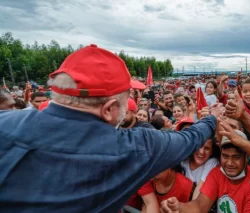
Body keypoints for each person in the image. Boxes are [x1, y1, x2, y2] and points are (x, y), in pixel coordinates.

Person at [0, 44, 223, 213]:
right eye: (125, 104)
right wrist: (212, 118)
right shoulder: (134, 148)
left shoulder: (4, 122)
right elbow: (189, 139)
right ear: (108, 109)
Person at [160, 130, 250, 213]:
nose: (229, 163)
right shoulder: (217, 173)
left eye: (236, 157)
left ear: (247, 157)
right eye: (225, 156)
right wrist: (179, 207)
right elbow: (200, 206)